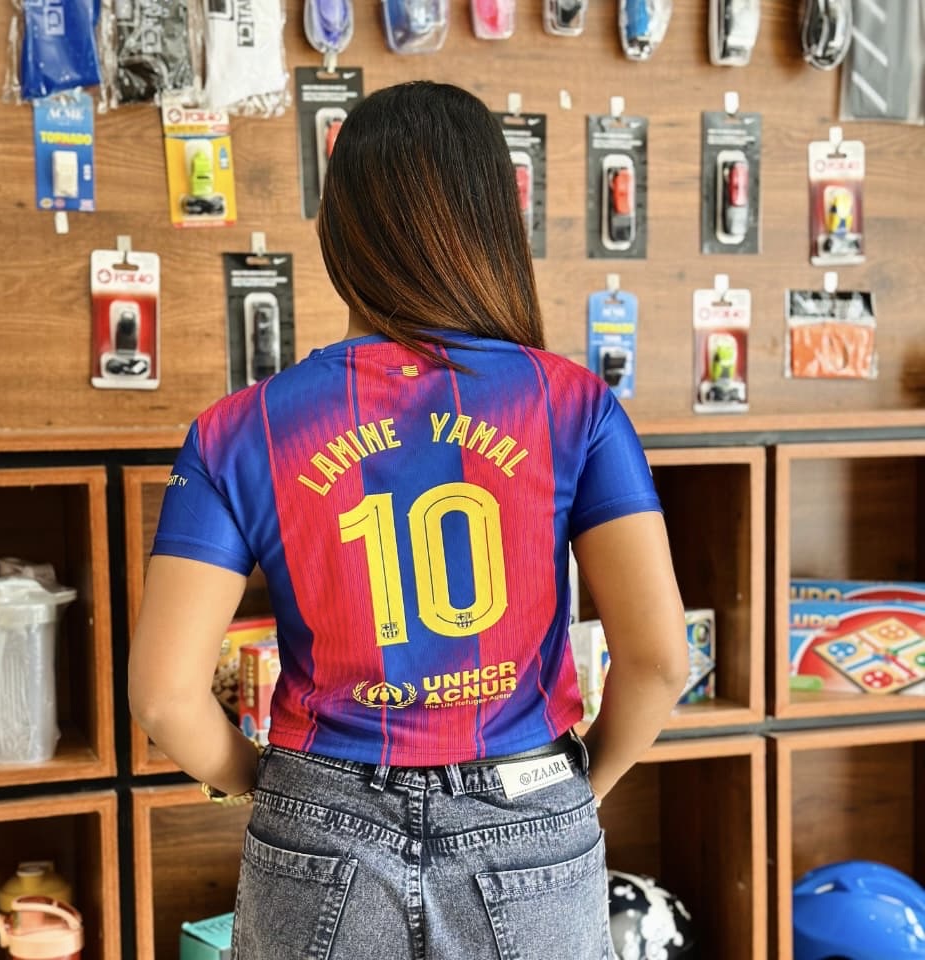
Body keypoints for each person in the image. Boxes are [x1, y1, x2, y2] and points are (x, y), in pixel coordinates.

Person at [129, 80, 689, 960]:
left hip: (319, 827)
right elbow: (659, 661)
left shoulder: (240, 430)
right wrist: (574, 794)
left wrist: (266, 785)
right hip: (529, 807)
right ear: (498, 222)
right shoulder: (575, 406)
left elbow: (164, 697)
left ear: (335, 232)